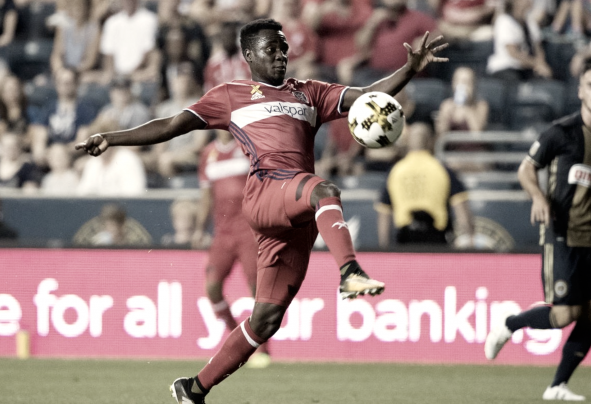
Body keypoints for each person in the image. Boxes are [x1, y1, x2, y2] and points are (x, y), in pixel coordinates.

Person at [76, 18, 447, 404]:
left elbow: (368, 96)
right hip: (268, 192)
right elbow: (173, 124)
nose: (281, 55)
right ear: (249, 55)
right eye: (272, 49)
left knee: (265, 319)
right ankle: (349, 271)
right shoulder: (231, 94)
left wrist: (408, 70)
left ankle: (193, 388)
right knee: (325, 188)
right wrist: (111, 138)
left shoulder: (310, 92)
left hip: (298, 214)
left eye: (284, 48)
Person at [484, 62, 591, 401]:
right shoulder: (562, 132)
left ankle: (557, 386)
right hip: (562, 233)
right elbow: (527, 169)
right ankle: (510, 324)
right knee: (566, 313)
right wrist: (538, 196)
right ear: (581, 91)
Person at [192, 128, 270, 368]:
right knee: (212, 287)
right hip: (222, 234)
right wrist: (199, 228)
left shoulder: (248, 147)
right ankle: (237, 337)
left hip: (249, 231)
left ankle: (262, 349)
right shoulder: (208, 154)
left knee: (257, 290)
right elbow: (207, 196)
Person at [375, 122, 475, 249]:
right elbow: (463, 214)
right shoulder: (443, 170)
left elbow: (384, 215)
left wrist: (384, 249)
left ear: (408, 142)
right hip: (436, 240)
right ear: (431, 141)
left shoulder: (395, 172)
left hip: (405, 240)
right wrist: (469, 243)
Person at [486, 0, 553, 81]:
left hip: (526, 67)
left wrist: (542, 64)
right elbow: (513, 53)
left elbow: (538, 48)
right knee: (514, 80)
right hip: (506, 66)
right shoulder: (504, 20)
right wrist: (536, 63)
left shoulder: (530, 21)